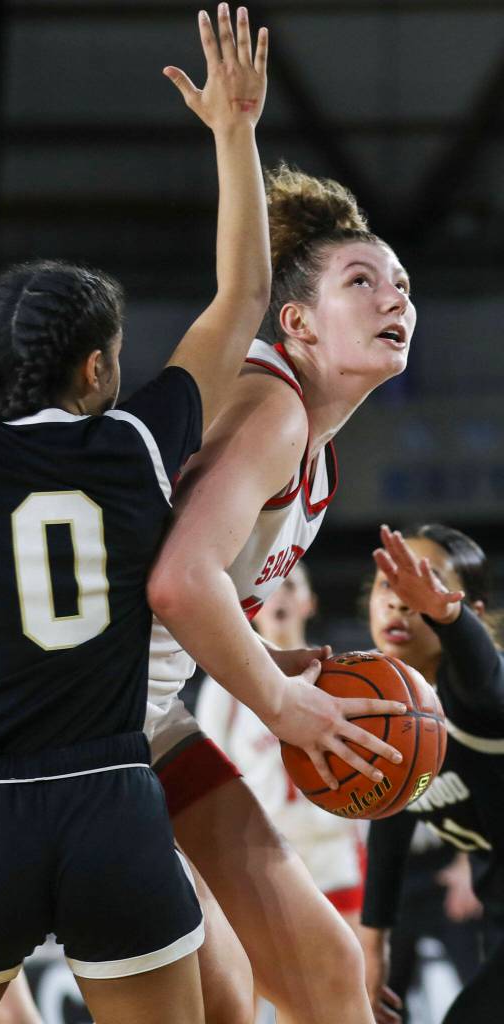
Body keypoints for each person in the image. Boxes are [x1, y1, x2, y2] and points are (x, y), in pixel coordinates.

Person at [0, 8, 281, 1023]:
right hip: (111, 806)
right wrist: (234, 134)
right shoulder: (135, 441)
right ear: (97, 366)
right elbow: (240, 295)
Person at [146, 163, 416, 1023]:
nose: (394, 301)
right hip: (58, 719)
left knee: (326, 979)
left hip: (140, 714)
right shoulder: (272, 410)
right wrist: (279, 704)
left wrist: (266, 658)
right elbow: (176, 584)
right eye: (362, 282)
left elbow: (182, 590)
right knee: (223, 996)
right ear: (296, 321)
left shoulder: (317, 451)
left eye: (402, 285)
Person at [360, 524, 504, 1024]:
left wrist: (448, 615)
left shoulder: (478, 693)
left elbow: (486, 673)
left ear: (474, 614)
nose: (400, 602)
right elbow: (391, 817)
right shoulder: (390, 712)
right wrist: (373, 944)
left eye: (424, 585)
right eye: (388, 585)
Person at [196, 563, 366, 936]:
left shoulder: (345, 677)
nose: (280, 595)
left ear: (310, 603)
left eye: (290, 585)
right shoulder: (224, 685)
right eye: (269, 588)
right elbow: (208, 777)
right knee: (256, 989)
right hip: (263, 856)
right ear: (251, 608)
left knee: (352, 983)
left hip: (332, 851)